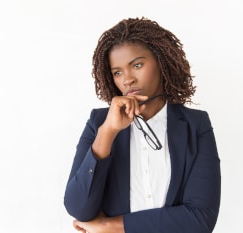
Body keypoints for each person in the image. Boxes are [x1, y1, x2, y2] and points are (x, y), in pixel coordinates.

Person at [64, 17, 221, 233]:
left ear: (161, 61)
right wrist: (108, 133)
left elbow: (200, 219)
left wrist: (109, 226)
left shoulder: (195, 125)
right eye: (117, 72)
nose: (127, 80)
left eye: (137, 65)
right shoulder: (99, 123)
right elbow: (79, 208)